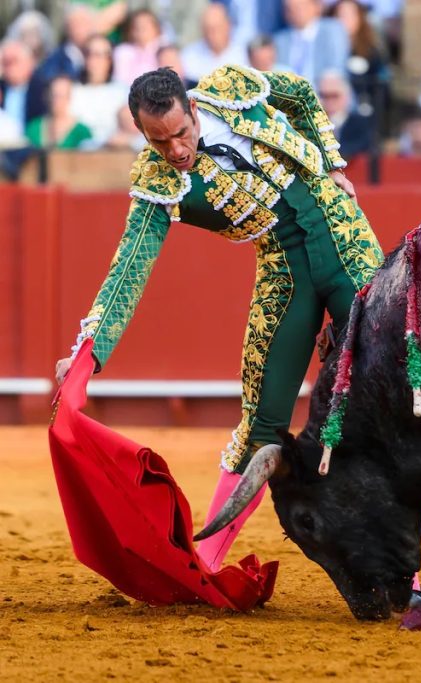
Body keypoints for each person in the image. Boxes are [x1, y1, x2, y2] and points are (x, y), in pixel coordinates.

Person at [50, 66, 400, 589]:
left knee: (385, 392)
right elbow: (128, 268)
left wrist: (331, 164)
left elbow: (303, 94)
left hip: (339, 229)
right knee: (261, 424)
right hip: (283, 267)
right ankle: (206, 564)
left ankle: (404, 568)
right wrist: (88, 353)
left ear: (192, 109)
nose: (175, 150)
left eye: (181, 134)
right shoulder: (156, 181)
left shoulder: (234, 88)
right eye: (158, 141)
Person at [24, 5, 97, 124]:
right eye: (75, 24)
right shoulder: (54, 60)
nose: (80, 28)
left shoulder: (105, 53)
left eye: (84, 23)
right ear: (67, 28)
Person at [332, 0, 391, 112]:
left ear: (359, 18)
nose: (343, 20)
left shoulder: (371, 51)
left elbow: (380, 86)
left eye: (349, 15)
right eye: (339, 15)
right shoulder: (325, 49)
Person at [71, 33, 128, 147]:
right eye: (88, 54)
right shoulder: (73, 91)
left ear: (109, 59)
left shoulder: (123, 92)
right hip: (78, 155)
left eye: (98, 55)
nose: (92, 60)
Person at [274, 0, 350, 84]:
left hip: (325, 92)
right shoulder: (279, 39)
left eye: (300, 6)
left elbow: (335, 69)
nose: (294, 11)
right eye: (288, 8)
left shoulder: (333, 30)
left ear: (317, 7)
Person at [181, 4, 247, 85]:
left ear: (228, 26)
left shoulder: (245, 55)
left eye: (216, 28)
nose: (211, 34)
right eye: (207, 29)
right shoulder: (189, 56)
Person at [25, 74, 92, 150]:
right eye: (53, 95)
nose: (56, 101)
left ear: (69, 97)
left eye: (61, 96)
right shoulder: (34, 128)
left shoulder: (82, 132)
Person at [322, 72, 374, 158]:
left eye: (334, 96)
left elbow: (358, 148)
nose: (329, 102)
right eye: (324, 96)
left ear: (347, 96)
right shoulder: (310, 125)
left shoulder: (360, 124)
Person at [112, 9, 163, 86]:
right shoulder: (123, 51)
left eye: (145, 25)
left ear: (156, 28)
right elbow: (119, 81)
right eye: (137, 26)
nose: (141, 29)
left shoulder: (165, 49)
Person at [0, 39, 36, 133]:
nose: (9, 67)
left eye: (14, 61)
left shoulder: (42, 90)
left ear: (29, 62)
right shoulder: (1, 89)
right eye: (5, 62)